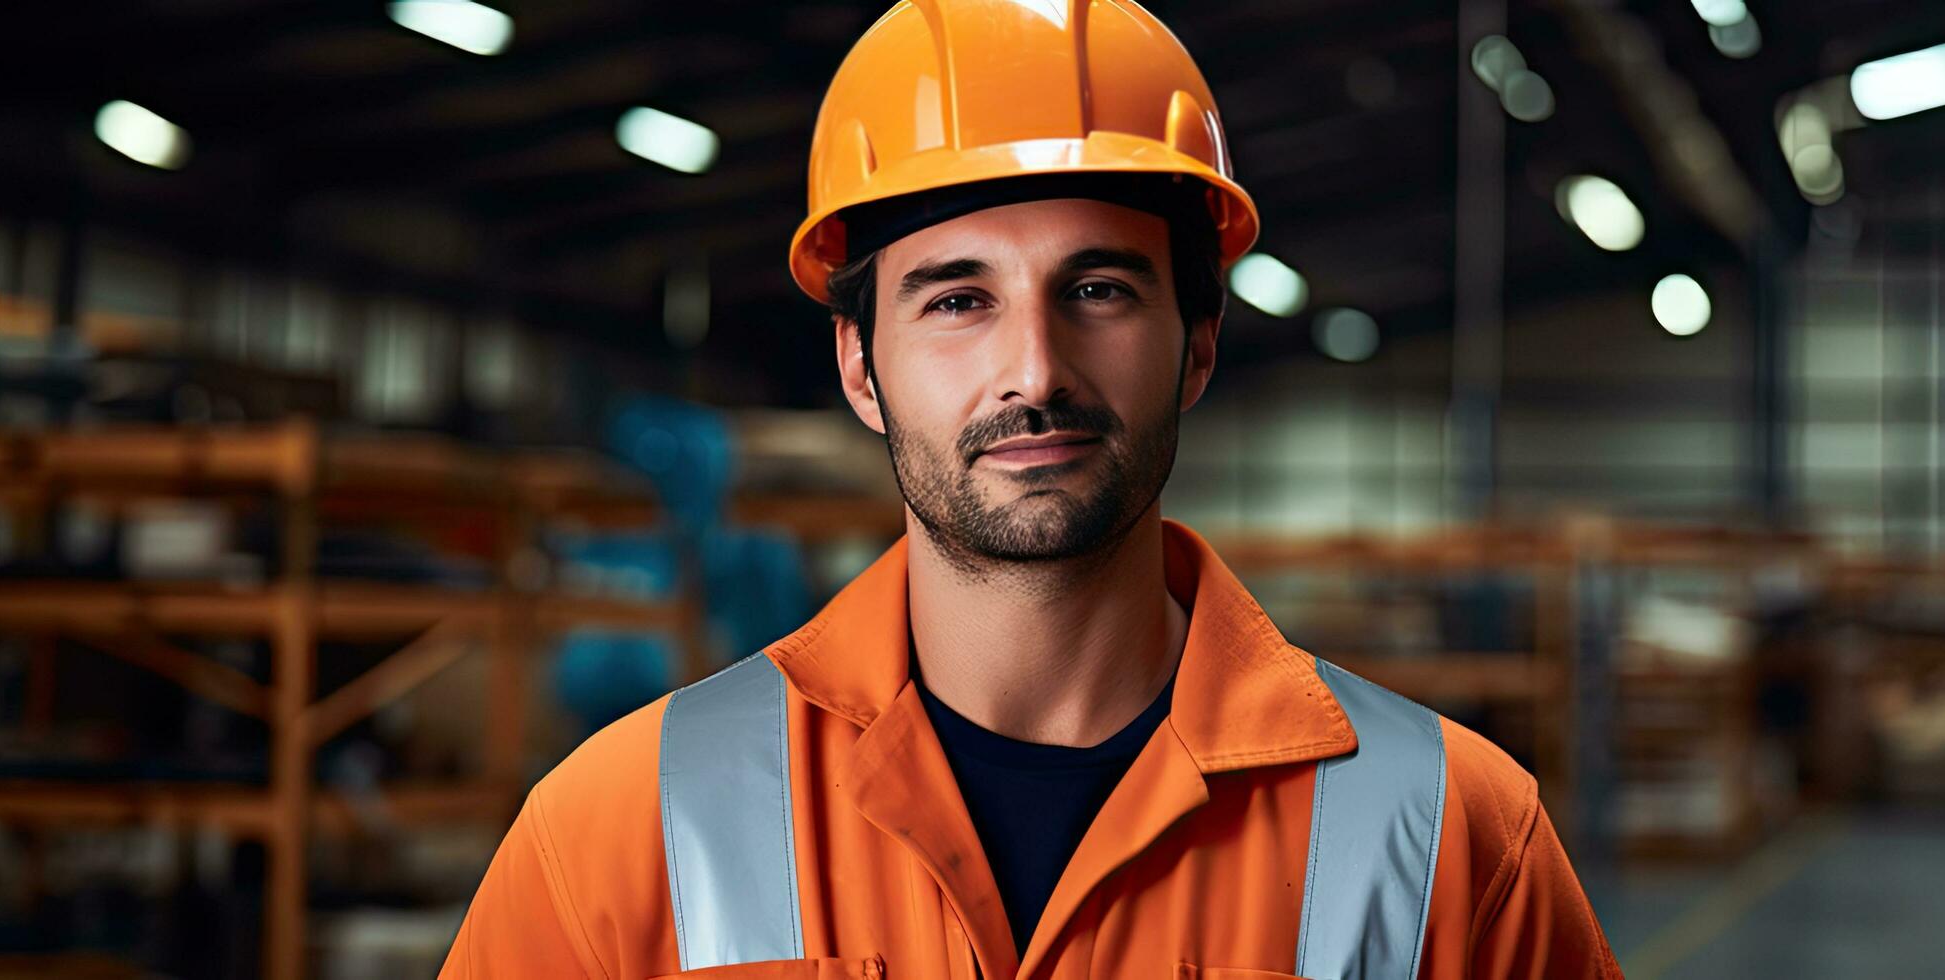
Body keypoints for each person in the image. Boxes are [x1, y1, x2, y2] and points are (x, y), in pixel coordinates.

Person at [440, 0, 1622, 976]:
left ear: (1197, 343)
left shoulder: (1455, 843)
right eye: (957, 298)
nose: (1034, 371)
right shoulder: (618, 834)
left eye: (1098, 289)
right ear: (860, 365)